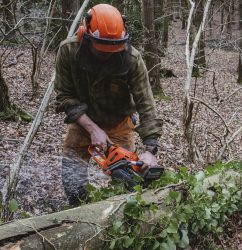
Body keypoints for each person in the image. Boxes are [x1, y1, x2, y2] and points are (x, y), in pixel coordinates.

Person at [54, 4, 163, 206]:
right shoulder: (69, 52)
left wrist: (150, 149)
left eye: (113, 50)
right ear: (86, 36)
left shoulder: (132, 59)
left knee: (127, 183)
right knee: (72, 179)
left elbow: (146, 103)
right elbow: (65, 97)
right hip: (82, 121)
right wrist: (92, 129)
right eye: (102, 50)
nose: (107, 55)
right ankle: (78, 211)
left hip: (120, 123)